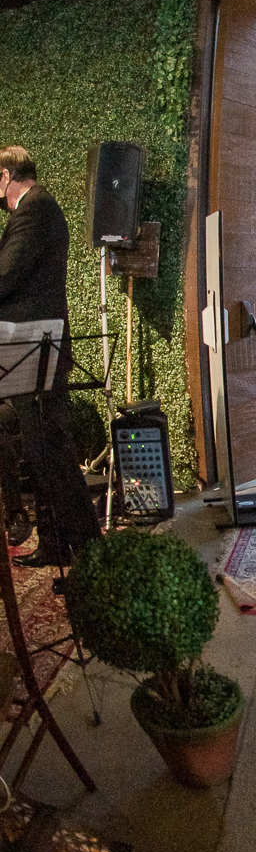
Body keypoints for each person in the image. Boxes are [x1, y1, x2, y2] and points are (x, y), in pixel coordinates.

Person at [0, 145, 101, 567]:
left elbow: (5, 276)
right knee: (43, 456)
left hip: (35, 350)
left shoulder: (34, 208)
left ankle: (92, 554)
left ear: (7, 175)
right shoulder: (35, 209)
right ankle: (59, 545)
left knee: (53, 458)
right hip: (33, 349)